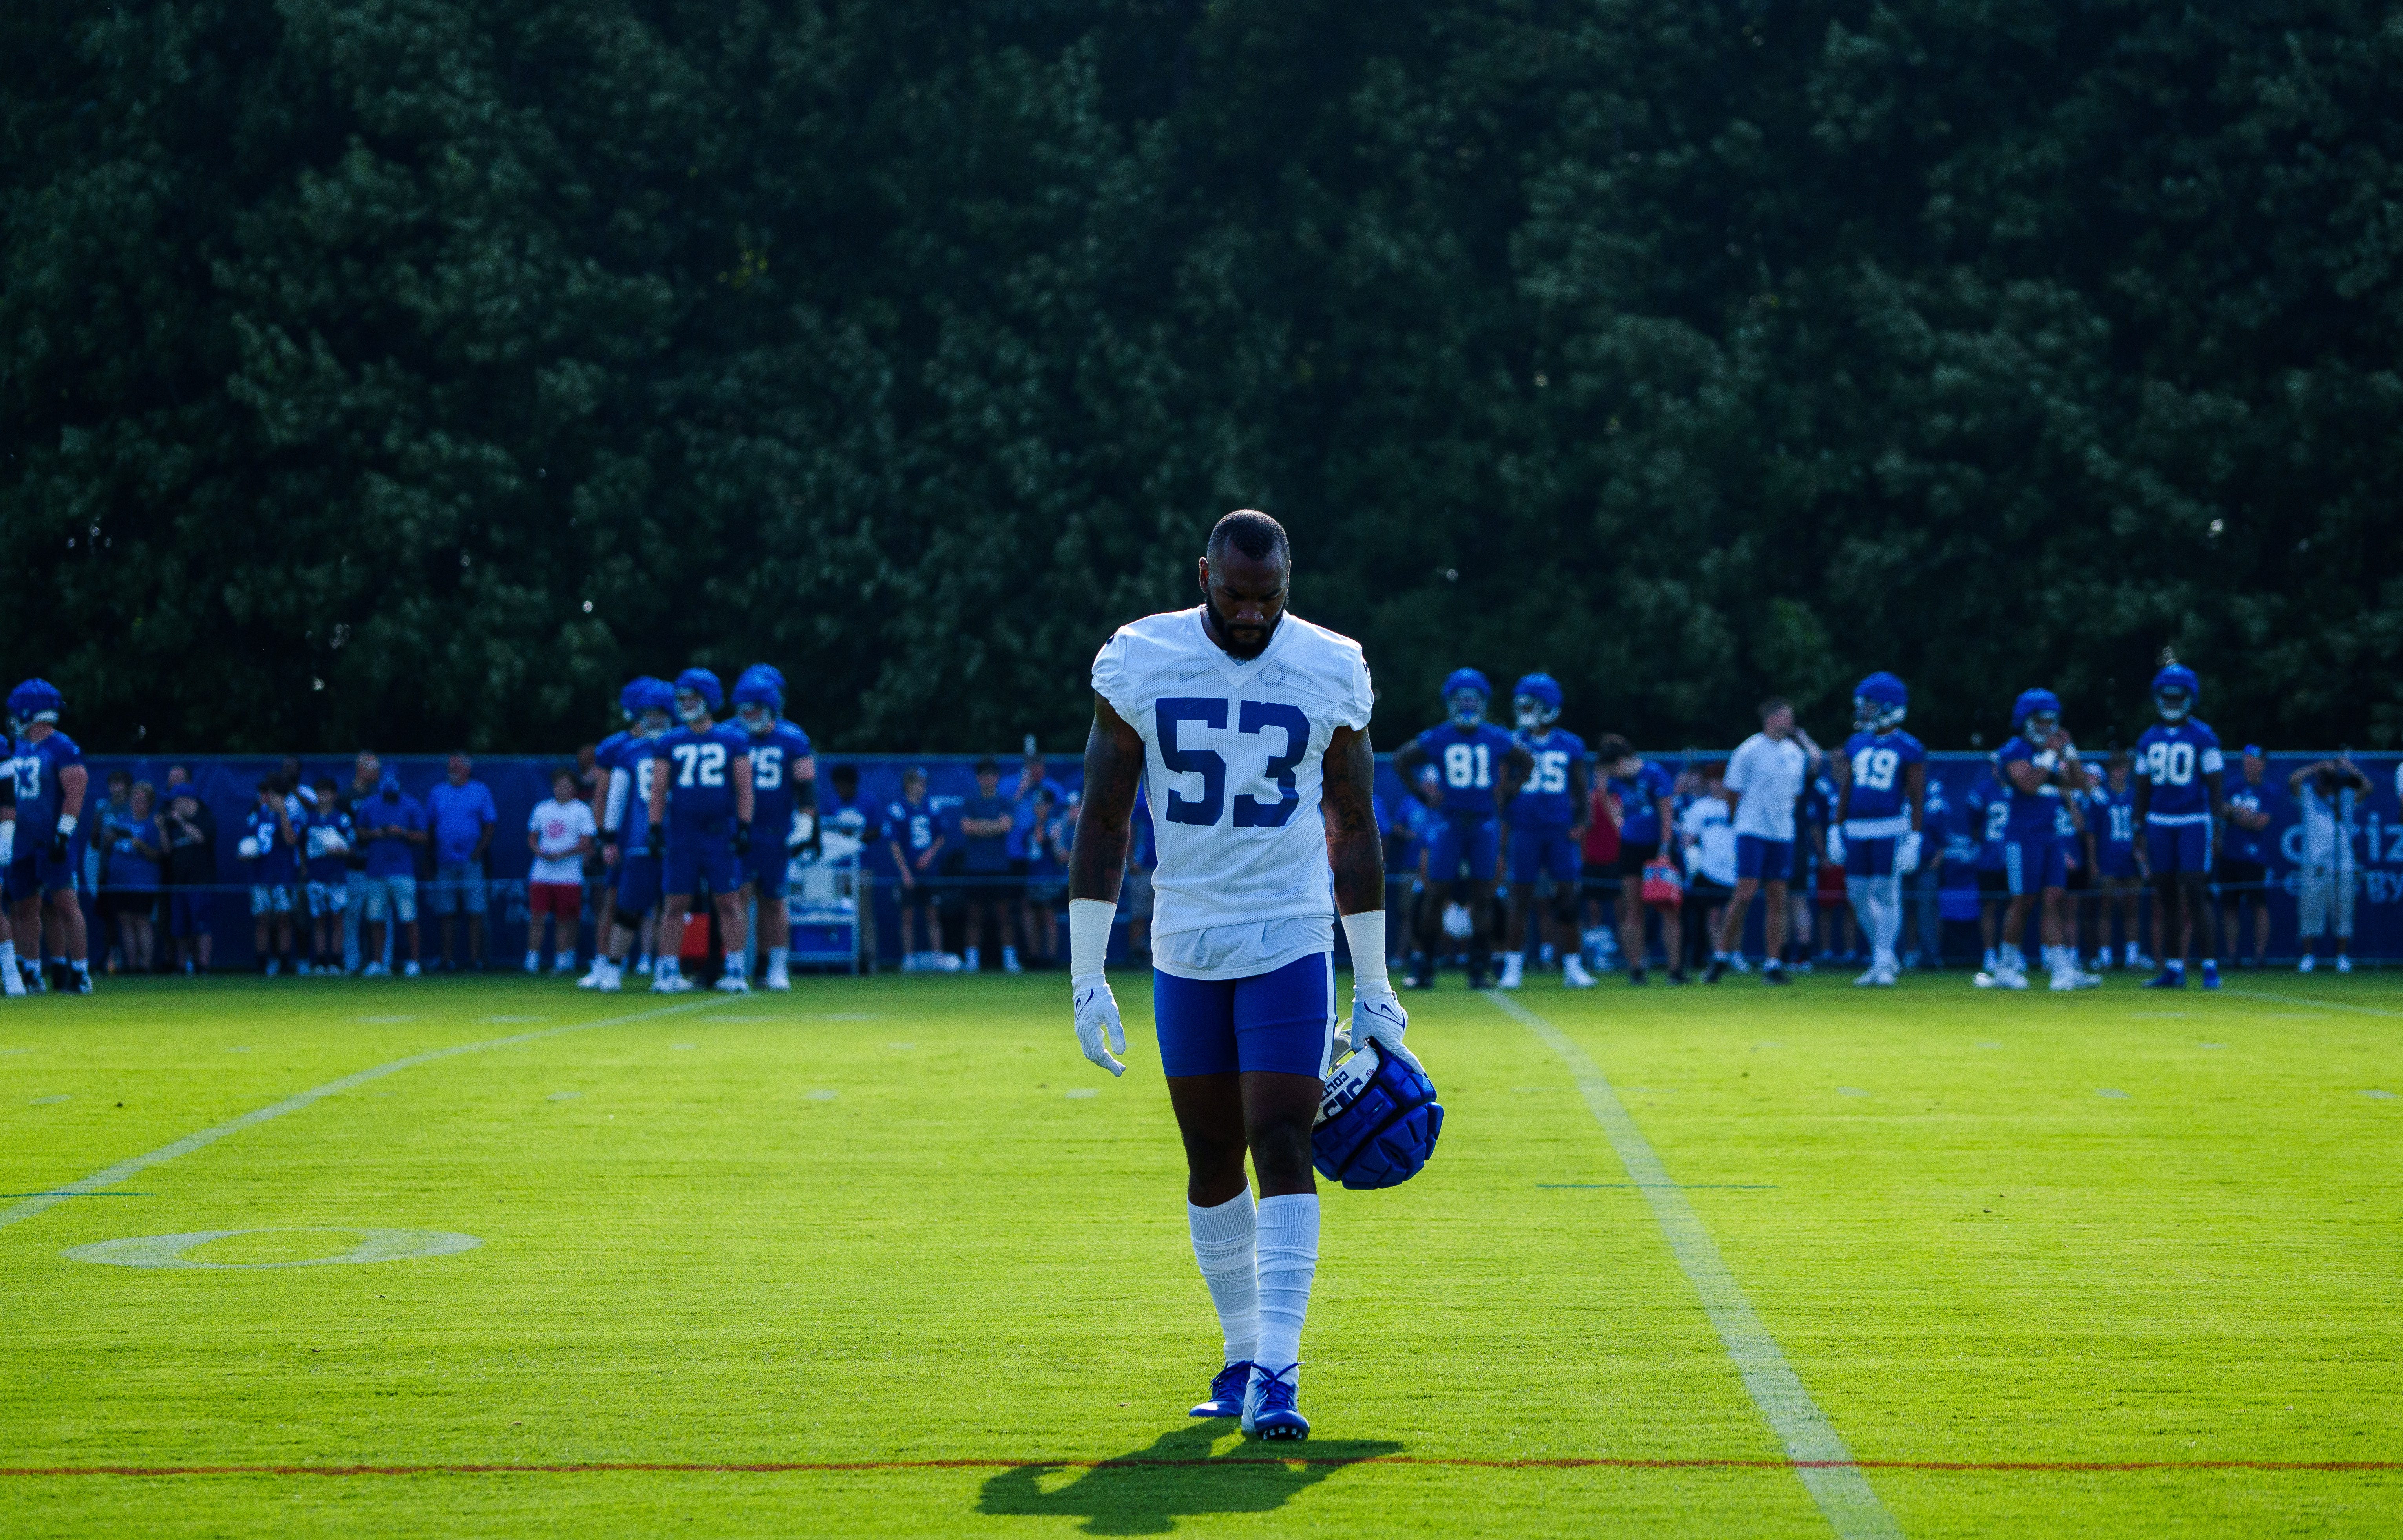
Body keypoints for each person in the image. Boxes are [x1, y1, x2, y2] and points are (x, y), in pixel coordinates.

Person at [1067, 508, 1401, 1443]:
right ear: (1202, 572)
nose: (1251, 616)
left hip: (1289, 933)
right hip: (1185, 940)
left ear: (1289, 581)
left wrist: (1370, 981)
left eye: (1269, 598)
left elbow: (1352, 824)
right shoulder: (1140, 655)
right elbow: (1104, 817)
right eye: (1234, 596)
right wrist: (1084, 971)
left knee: (1280, 1136)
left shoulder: (1331, 662)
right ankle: (1240, 1350)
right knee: (1211, 1154)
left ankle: (1281, 1374)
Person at [1392, 669, 1530, 989]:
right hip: (1449, 821)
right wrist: (1422, 796)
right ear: (1451, 702)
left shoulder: (1494, 736)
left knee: (1482, 895)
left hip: (1482, 821)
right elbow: (1402, 759)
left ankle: (1478, 967)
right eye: (1461, 699)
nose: (1467, 705)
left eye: (1473, 699)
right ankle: (1425, 964)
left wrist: (1507, 794)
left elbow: (1526, 761)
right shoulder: (1439, 736)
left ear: (1482, 703)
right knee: (1435, 892)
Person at [645, 667, 757, 994]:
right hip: (682, 831)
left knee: (728, 901)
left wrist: (745, 825)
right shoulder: (669, 740)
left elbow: (745, 787)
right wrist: (654, 827)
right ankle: (666, 970)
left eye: (691, 697)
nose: (685, 704)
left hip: (719, 831)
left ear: (708, 699)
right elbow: (659, 788)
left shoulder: (733, 738)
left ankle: (735, 969)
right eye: (681, 698)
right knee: (675, 902)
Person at [1981, 689, 2098, 991]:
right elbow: (2030, 784)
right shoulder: (2014, 749)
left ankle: (2061, 969)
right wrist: (2050, 754)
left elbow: (2081, 785)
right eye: (2040, 720)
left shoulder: (2051, 752)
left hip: (2050, 836)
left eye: (2051, 721)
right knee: (2023, 902)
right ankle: (2005, 967)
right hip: (2022, 838)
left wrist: (2069, 753)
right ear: (2027, 720)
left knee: (2052, 901)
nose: (2047, 727)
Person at [1709, 697, 1820, 984]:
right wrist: (1738, 820)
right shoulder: (1749, 751)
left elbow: (1796, 794)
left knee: (1777, 896)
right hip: (1752, 829)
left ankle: (1772, 963)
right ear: (1770, 718)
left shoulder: (1795, 753)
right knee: (1745, 892)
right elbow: (1733, 790)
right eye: (1786, 716)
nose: (1790, 722)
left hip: (1782, 833)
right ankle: (1721, 955)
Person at [1827, 673, 1926, 987]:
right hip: (1857, 827)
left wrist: (1914, 838)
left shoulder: (1909, 746)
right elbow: (1847, 787)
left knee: (1885, 892)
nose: (1864, 711)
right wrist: (1835, 827)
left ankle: (1882, 959)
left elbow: (1916, 795)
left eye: (1870, 705)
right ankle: (1882, 955)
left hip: (1890, 826)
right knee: (1857, 895)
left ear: (1888, 707)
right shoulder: (1856, 743)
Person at [2129, 664, 2224, 989]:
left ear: (2189, 698)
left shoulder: (2204, 736)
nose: (2171, 703)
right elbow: (2142, 788)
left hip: (2192, 821)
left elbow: (2215, 786)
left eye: (2177, 697)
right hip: (2158, 821)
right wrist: (2137, 827)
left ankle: (2209, 966)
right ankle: (2173, 967)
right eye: (2166, 697)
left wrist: (2218, 825)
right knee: (2166, 895)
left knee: (2195, 891)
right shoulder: (2148, 739)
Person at [1498, 674, 1594, 989]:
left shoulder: (1570, 744)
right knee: (1519, 898)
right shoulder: (1512, 743)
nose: (1525, 709)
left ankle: (1573, 967)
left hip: (1558, 832)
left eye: (1531, 703)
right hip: (1524, 830)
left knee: (1567, 898)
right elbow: (1501, 791)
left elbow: (1581, 791)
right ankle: (1512, 967)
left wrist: (1581, 823)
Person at [732, 665, 818, 991]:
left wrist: (808, 825)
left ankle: (776, 966)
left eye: (756, 707)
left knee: (774, 901)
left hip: (775, 831)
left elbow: (807, 788)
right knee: (735, 899)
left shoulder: (792, 738)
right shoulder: (731, 734)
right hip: (738, 829)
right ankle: (735, 965)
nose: (749, 714)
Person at [588, 677, 676, 992]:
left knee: (674, 906)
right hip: (635, 835)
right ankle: (607, 963)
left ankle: (664, 966)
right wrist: (607, 836)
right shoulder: (623, 748)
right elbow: (607, 795)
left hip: (674, 836)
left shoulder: (680, 744)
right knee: (620, 902)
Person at [4, 680, 92, 993]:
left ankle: (80, 972)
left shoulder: (63, 747)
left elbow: (75, 792)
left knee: (66, 905)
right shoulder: (21, 747)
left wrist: (63, 834)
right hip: (23, 839)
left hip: (51, 837)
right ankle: (33, 971)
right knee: (26, 908)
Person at [1597, 737, 1675, 984]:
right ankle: (1636, 970)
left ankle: (1675, 970)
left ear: (1620, 761)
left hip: (1657, 847)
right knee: (1633, 909)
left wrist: (1664, 850)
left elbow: (1666, 815)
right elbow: (1607, 801)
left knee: (1669, 908)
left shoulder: (1654, 774)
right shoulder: (1616, 781)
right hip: (1631, 847)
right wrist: (1620, 826)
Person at [2290, 755, 2369, 972]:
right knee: (2309, 911)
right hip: (2314, 863)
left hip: (2343, 863)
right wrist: (2317, 767)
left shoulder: (2344, 797)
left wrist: (2348, 768)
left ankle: (2341, 956)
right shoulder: (2307, 794)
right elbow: (2294, 780)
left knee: (2343, 911)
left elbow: (2368, 787)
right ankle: (2308, 956)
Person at [424, 751, 498, 971]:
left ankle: (475, 960)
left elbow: (490, 824)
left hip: (471, 862)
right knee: (446, 912)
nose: (452, 771)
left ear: (467, 769)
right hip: (444, 862)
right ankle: (447, 959)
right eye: (450, 767)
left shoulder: (480, 790)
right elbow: (430, 827)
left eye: (456, 767)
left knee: (475, 911)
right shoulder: (438, 792)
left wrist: (479, 851)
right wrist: (429, 859)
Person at [354, 773, 428, 977]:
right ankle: (378, 962)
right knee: (375, 918)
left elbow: (424, 836)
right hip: (376, 871)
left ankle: (414, 962)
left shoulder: (411, 805)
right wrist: (377, 833)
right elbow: (359, 833)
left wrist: (402, 833)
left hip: (402, 871)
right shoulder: (370, 804)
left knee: (409, 918)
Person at [526, 767, 597, 975]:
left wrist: (560, 855)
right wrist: (540, 852)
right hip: (541, 874)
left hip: (569, 876)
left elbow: (586, 843)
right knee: (537, 917)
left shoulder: (582, 811)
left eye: (566, 785)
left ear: (573, 788)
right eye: (558, 785)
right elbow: (532, 838)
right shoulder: (542, 809)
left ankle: (563, 962)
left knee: (565, 918)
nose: (561, 789)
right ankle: (531, 962)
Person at [958, 758, 1020, 973]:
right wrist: (994, 826)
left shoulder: (1005, 802)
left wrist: (981, 826)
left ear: (997, 778)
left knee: (1004, 915)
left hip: (999, 867)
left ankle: (1010, 961)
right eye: (983, 775)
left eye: (992, 775)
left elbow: (1007, 826)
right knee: (974, 916)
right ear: (978, 779)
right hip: (975, 868)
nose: (988, 779)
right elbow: (967, 828)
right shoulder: (971, 802)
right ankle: (972, 962)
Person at [2217, 746, 2277, 969]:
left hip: (2254, 858)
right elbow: (2219, 810)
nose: (2249, 766)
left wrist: (2234, 814)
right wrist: (2241, 816)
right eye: (2246, 761)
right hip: (2229, 855)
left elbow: (2261, 823)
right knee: (2229, 907)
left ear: (2262, 764)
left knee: (2258, 906)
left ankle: (2259, 956)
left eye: (2254, 762)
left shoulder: (2268, 791)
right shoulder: (2232, 787)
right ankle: (2232, 955)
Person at [2087, 751, 2147, 969]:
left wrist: (2143, 857)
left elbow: (2142, 830)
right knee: (2105, 907)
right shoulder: (2101, 797)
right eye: (2116, 768)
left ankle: (2132, 955)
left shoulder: (2135, 796)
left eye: (2123, 768)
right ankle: (2104, 956)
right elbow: (2092, 833)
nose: (2120, 773)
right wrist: (2094, 863)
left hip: (2131, 859)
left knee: (2133, 906)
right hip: (2108, 859)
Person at [884, 767, 948, 970]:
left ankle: (938, 957)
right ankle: (908, 959)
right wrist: (905, 872)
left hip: (929, 871)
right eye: (919, 783)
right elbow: (894, 843)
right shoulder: (898, 809)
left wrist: (929, 856)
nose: (923, 787)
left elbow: (941, 835)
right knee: (907, 915)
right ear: (909, 785)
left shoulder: (932, 805)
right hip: (909, 870)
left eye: (924, 783)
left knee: (933, 913)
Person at [1678, 762, 1735, 980]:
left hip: (1736, 868)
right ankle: (1718, 955)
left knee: (1734, 913)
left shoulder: (1738, 805)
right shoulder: (1700, 807)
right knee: (1713, 914)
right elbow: (1688, 838)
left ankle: (1733, 954)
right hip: (1709, 869)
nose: (1719, 785)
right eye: (1715, 781)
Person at [239, 776, 302, 975]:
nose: (268, 797)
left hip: (284, 875)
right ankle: (262, 963)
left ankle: (284, 962)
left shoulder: (292, 814)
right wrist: (245, 852)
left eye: (272, 794)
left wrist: (282, 813)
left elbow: (292, 841)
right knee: (262, 920)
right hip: (261, 874)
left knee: (284, 918)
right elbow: (247, 843)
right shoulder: (256, 815)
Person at [820, 762, 880, 965]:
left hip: (862, 867)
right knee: (839, 911)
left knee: (864, 913)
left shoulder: (867, 803)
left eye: (843, 785)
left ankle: (869, 957)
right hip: (839, 868)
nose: (841, 790)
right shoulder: (832, 803)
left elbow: (877, 831)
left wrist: (854, 837)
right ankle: (842, 956)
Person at [101, 781, 163, 973]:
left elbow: (159, 855)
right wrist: (110, 840)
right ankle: (131, 965)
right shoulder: (121, 820)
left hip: (142, 882)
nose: (137, 803)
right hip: (119, 881)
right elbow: (106, 845)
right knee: (125, 921)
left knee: (142, 921)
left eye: (142, 800)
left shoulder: (153, 824)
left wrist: (142, 846)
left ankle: (145, 965)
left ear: (149, 803)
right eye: (135, 799)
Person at [160, 782, 216, 974]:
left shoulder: (205, 817)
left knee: (203, 926)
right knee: (179, 928)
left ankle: (203, 966)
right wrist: (162, 829)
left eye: (175, 802)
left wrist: (182, 823)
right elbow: (167, 851)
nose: (172, 807)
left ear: (186, 800)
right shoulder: (172, 824)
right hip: (178, 883)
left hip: (201, 883)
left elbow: (201, 838)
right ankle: (182, 965)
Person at [335, 752, 383, 973]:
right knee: (352, 915)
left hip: (377, 867)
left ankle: (380, 963)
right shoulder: (345, 797)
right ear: (361, 769)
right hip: (353, 866)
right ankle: (352, 962)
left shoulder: (380, 796)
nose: (378, 773)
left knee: (379, 916)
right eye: (374, 768)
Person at [302, 778, 356, 976]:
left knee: (336, 917)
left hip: (336, 876)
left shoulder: (342, 819)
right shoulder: (309, 819)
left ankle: (336, 960)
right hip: (316, 875)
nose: (322, 797)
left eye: (326, 792)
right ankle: (320, 960)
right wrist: (304, 869)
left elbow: (352, 848)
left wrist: (339, 850)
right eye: (319, 793)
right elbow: (301, 847)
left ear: (334, 796)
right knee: (318, 918)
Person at [1963, 761, 2010, 974]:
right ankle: (1990, 954)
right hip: (1990, 858)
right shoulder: (1983, 791)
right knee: (1989, 907)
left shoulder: (2020, 788)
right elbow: (1973, 824)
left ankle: (2012, 954)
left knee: (2017, 907)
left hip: (2014, 857)